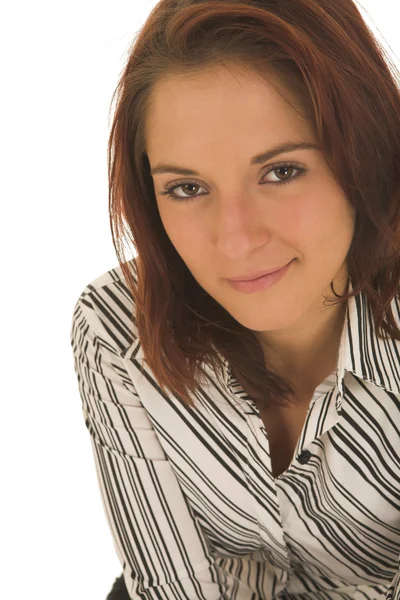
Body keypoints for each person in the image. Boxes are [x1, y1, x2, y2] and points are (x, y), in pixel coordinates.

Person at [70, 0, 400, 598]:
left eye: (281, 172)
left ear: (366, 155)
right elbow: (168, 584)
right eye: (187, 187)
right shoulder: (117, 330)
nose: (236, 239)